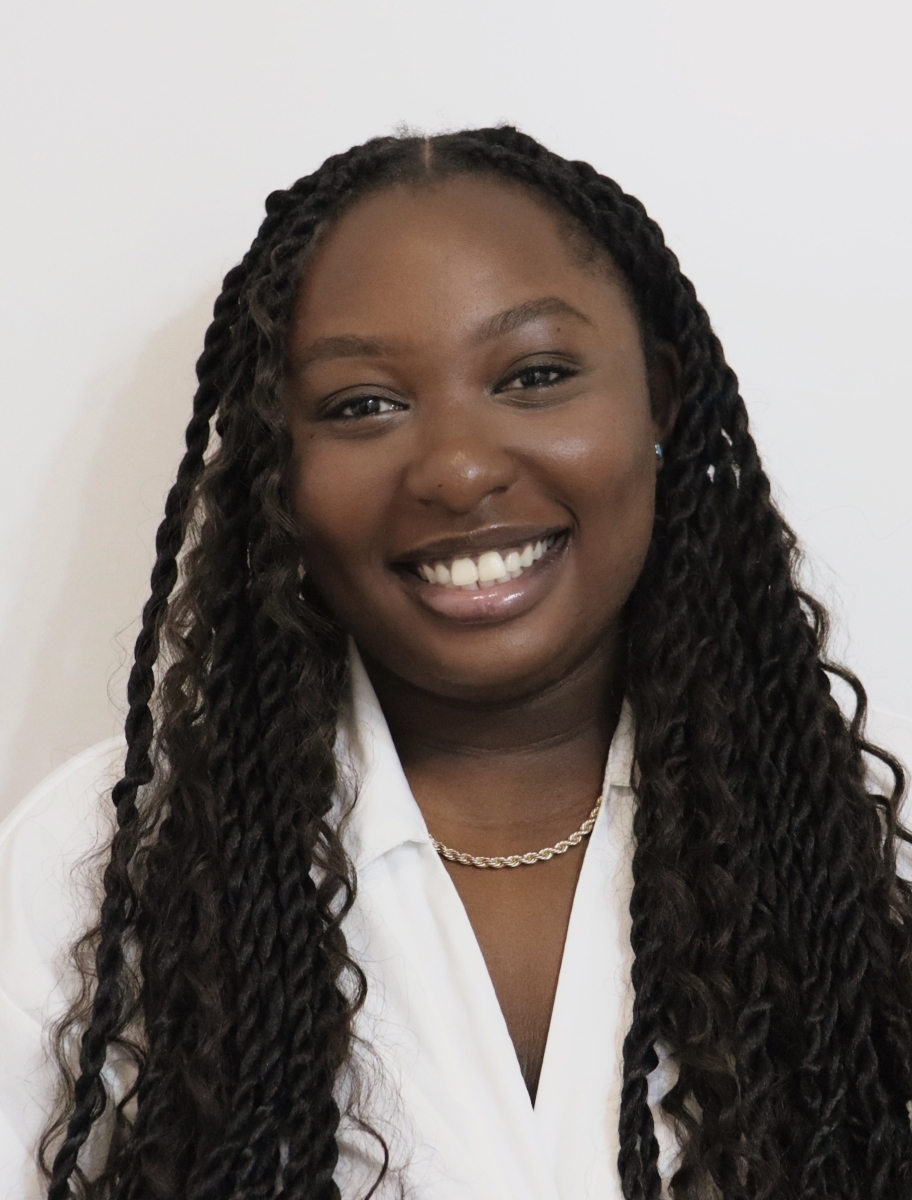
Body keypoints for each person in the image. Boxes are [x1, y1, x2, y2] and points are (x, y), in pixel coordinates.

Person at [1, 127, 910, 1200]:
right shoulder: (105, 861)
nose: (460, 469)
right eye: (361, 405)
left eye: (534, 375)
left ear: (660, 403)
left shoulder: (836, 860)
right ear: (278, 466)